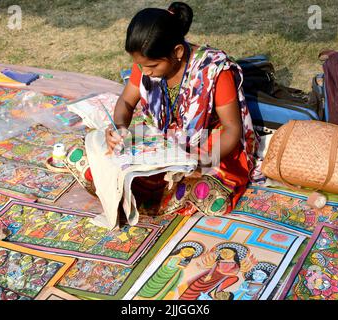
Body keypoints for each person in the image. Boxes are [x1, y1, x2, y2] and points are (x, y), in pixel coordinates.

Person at [106, 2, 259, 217]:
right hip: (165, 142)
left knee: (210, 193)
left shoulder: (214, 70)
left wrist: (199, 161)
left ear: (177, 52)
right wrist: (120, 128)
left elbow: (232, 130)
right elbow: (126, 102)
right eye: (141, 66)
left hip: (209, 146)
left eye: (152, 66)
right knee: (101, 164)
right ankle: (161, 185)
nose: (146, 72)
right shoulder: (145, 62)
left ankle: (167, 188)